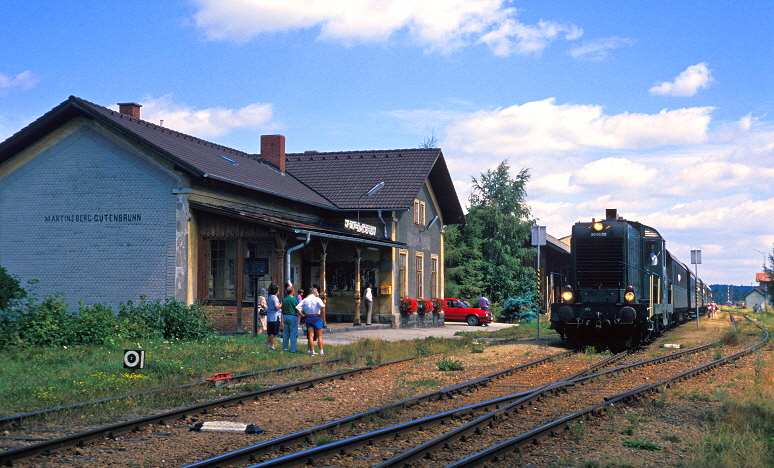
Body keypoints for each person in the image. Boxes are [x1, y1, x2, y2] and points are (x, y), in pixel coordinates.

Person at [297, 287, 326, 356]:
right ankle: (321, 351)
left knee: (310, 335)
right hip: (316, 317)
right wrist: (321, 315)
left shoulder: (305, 300)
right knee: (319, 335)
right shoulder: (317, 299)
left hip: (308, 317)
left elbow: (298, 308)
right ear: (314, 292)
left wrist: (302, 315)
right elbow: (323, 307)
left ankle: (312, 351)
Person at [281, 286, 300, 352]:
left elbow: (282, 310)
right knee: (293, 334)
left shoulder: (284, 300)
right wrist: (302, 314)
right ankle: (293, 349)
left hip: (285, 316)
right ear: (292, 292)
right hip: (293, 317)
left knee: (286, 333)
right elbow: (297, 308)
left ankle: (284, 348)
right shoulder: (294, 300)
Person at [265, 284, 282, 350]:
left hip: (270, 316)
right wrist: (281, 305)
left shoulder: (270, 297)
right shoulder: (274, 297)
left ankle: (272, 345)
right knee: (274, 332)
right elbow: (276, 307)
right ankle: (267, 344)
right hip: (274, 316)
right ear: (276, 291)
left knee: (270, 332)